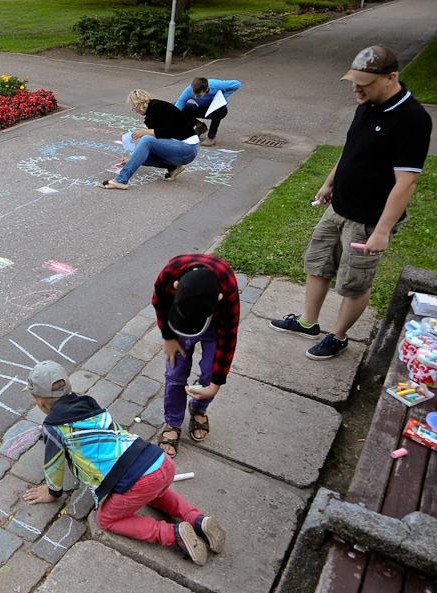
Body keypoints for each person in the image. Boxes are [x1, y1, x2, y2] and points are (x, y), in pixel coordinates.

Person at [270, 45, 431, 360]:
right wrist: (329, 182)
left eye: (364, 83)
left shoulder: (412, 119)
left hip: (368, 219)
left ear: (391, 78)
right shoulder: (367, 104)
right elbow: (351, 149)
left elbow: (406, 181)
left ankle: (339, 336)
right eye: (354, 81)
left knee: (354, 282)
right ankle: (308, 322)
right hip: (339, 206)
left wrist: (382, 230)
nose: (356, 88)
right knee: (318, 263)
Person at [22, 360, 225, 566]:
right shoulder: (88, 403)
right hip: (159, 461)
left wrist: (52, 492)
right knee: (155, 493)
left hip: (136, 481)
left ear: (40, 403)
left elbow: (53, 465)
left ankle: (172, 534)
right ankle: (197, 519)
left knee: (106, 520)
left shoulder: (53, 427)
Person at [152, 255, 240, 458]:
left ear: (219, 298)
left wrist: (216, 384)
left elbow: (228, 339)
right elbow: (159, 303)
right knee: (175, 371)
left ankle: (199, 408)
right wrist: (168, 336)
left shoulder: (227, 290)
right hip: (179, 321)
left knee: (211, 373)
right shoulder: (170, 273)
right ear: (176, 286)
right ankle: (173, 422)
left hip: (214, 325)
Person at [101, 89, 201, 190]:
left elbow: (170, 131)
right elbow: (160, 139)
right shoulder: (150, 115)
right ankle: (174, 167)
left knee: (147, 140)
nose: (134, 110)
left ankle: (121, 180)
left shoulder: (158, 107)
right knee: (141, 154)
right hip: (179, 150)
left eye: (133, 107)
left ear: (137, 105)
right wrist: (132, 159)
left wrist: (145, 132)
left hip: (188, 148)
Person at [174, 77, 241, 146]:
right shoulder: (189, 90)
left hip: (217, 110)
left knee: (220, 108)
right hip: (202, 109)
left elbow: (237, 84)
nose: (196, 97)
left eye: (199, 95)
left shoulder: (215, 84)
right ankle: (200, 126)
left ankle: (211, 138)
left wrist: (224, 96)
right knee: (175, 106)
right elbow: (179, 104)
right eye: (194, 94)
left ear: (206, 89)